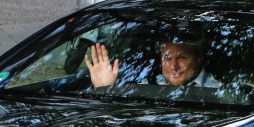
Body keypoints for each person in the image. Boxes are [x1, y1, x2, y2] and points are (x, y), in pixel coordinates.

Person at [84, 39, 219, 89]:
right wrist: (104, 88)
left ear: (199, 58)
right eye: (167, 58)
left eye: (182, 57)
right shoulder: (148, 86)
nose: (173, 66)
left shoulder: (216, 91)